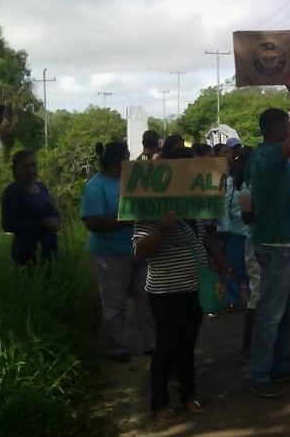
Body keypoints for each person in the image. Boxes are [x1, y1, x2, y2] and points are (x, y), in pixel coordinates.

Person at [133, 146, 230, 422]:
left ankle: (189, 396)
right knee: (166, 346)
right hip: (165, 291)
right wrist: (163, 227)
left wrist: (219, 257)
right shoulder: (149, 205)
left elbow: (202, 237)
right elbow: (140, 250)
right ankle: (160, 403)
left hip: (193, 288)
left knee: (187, 345)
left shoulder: (193, 205)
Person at [246, 72, 290, 399]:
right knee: (271, 312)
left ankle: (280, 366)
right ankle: (260, 374)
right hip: (275, 244)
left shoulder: (268, 158)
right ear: (277, 129)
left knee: (288, 308)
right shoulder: (269, 155)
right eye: (286, 124)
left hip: (281, 242)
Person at [81, 141, 155, 363]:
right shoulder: (95, 186)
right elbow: (93, 222)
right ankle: (118, 347)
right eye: (127, 156)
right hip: (110, 255)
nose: (130, 161)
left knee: (147, 299)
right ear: (117, 160)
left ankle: (151, 344)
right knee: (114, 303)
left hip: (140, 251)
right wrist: (125, 221)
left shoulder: (132, 182)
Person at [1, 150, 60, 265]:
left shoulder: (42, 187)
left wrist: (55, 221)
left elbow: (54, 212)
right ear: (15, 169)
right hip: (26, 255)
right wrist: (41, 224)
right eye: (25, 166)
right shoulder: (12, 192)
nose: (31, 169)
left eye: (33, 165)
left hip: (50, 251)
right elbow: (7, 225)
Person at [216, 144, 250, 313]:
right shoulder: (231, 183)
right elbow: (224, 207)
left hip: (250, 233)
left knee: (250, 269)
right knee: (234, 268)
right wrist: (224, 228)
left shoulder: (254, 183)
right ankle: (232, 300)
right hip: (235, 233)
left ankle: (252, 300)